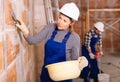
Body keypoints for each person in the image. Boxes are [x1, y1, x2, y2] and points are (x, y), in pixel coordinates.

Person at [15, 2, 87, 82]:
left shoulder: (74, 38)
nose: (60, 22)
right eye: (60, 18)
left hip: (64, 76)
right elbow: (32, 41)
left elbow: (74, 61)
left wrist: (81, 62)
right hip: (47, 75)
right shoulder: (50, 28)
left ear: (71, 23)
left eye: (65, 21)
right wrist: (25, 30)